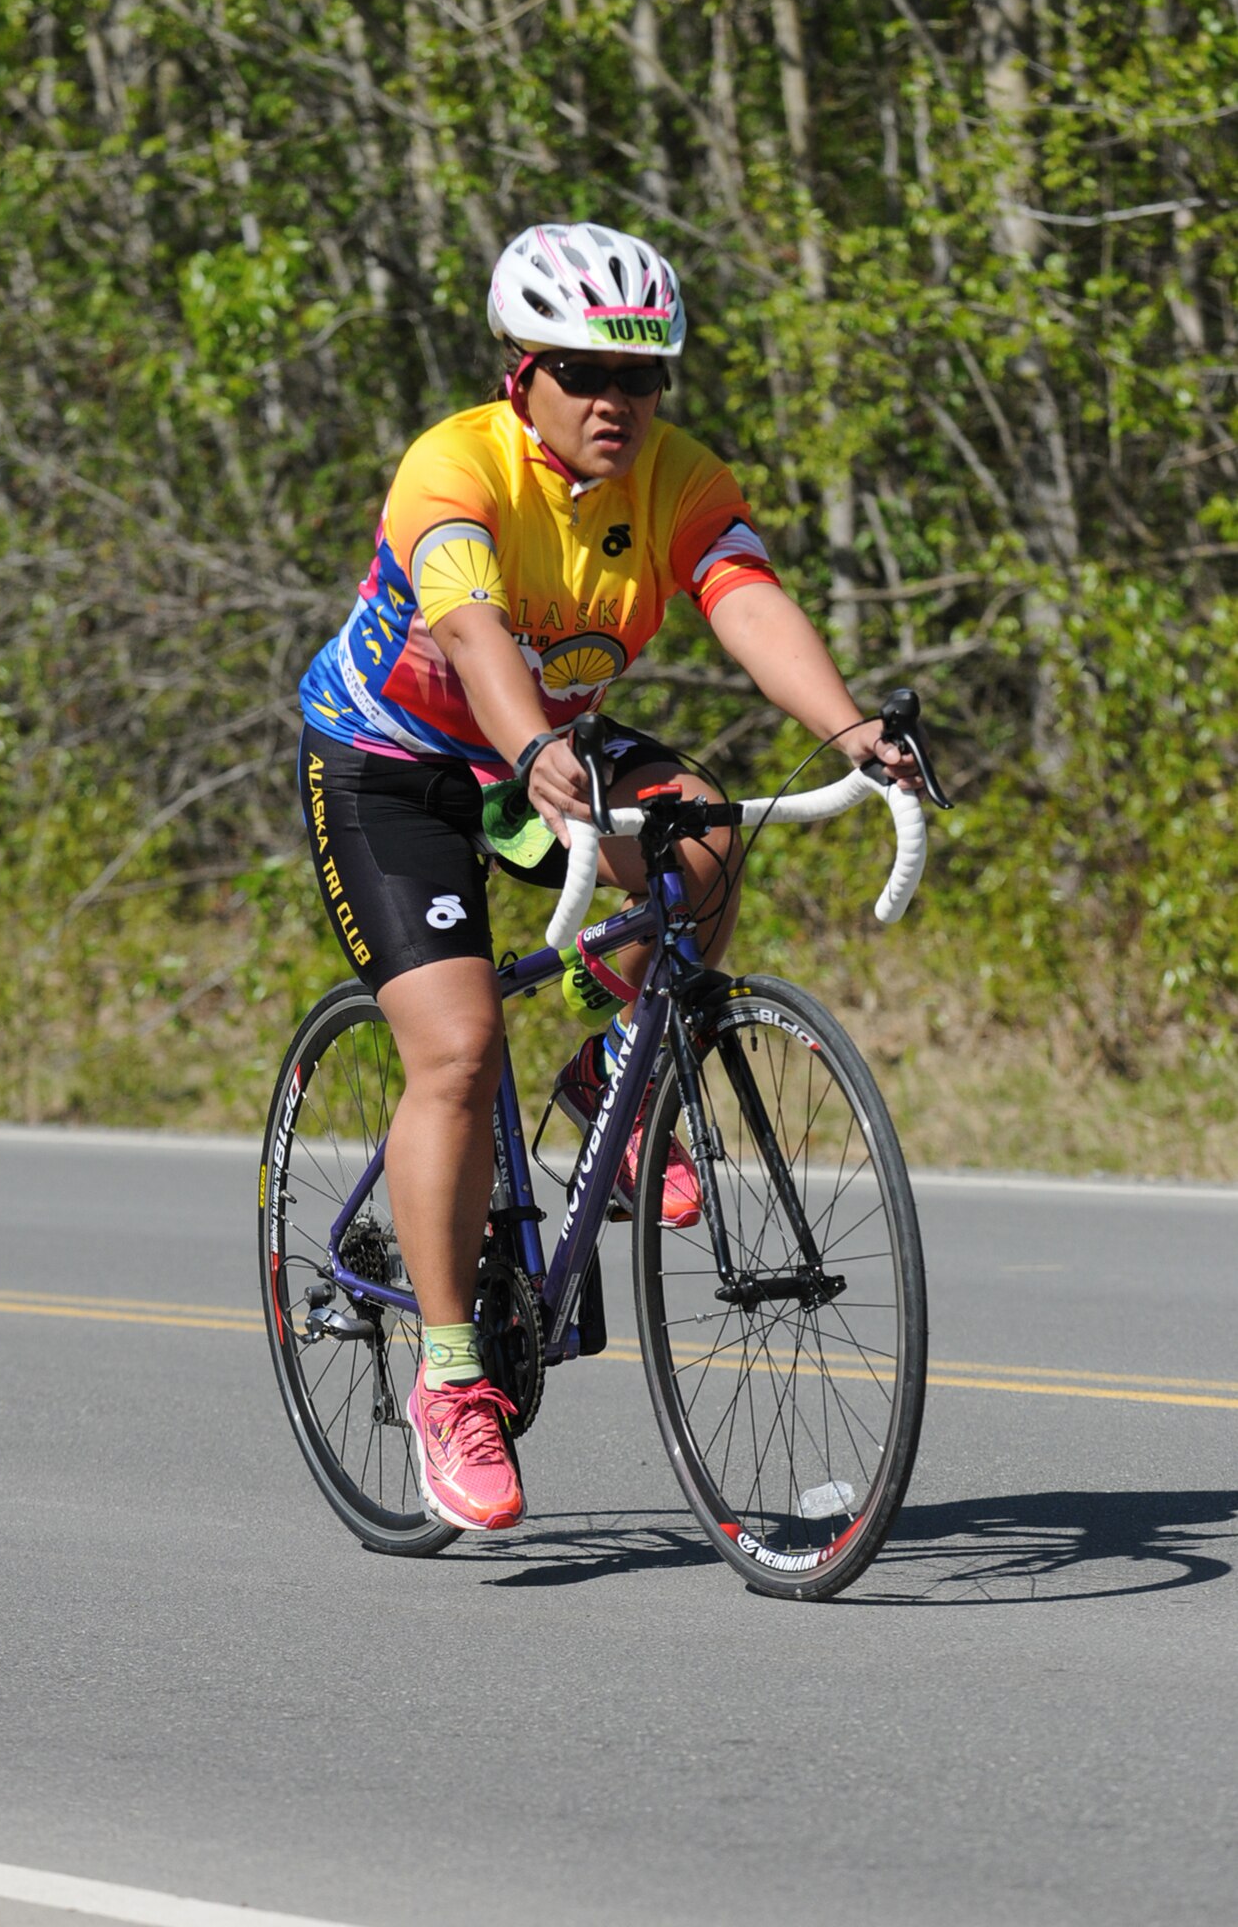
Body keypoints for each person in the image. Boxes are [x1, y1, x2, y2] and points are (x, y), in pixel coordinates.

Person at [297, 220, 918, 1536]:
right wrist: (524, 752)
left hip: (548, 742)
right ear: (520, 372)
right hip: (396, 760)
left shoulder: (674, 476)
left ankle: (617, 1075)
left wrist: (851, 731)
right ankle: (452, 1382)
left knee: (698, 831)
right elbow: (466, 626)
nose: (616, 404)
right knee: (456, 1051)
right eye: (584, 373)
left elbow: (740, 592)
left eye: (642, 379)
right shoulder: (453, 468)